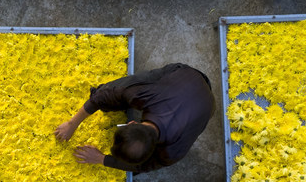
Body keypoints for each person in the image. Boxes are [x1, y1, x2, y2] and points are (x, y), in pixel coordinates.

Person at [54, 63, 215, 173]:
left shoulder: (172, 152)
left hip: (202, 95)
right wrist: (72, 123)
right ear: (131, 123)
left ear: (131, 122)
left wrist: (101, 159)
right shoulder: (143, 94)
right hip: (186, 76)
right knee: (116, 90)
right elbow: (103, 95)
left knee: (118, 93)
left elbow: (142, 167)